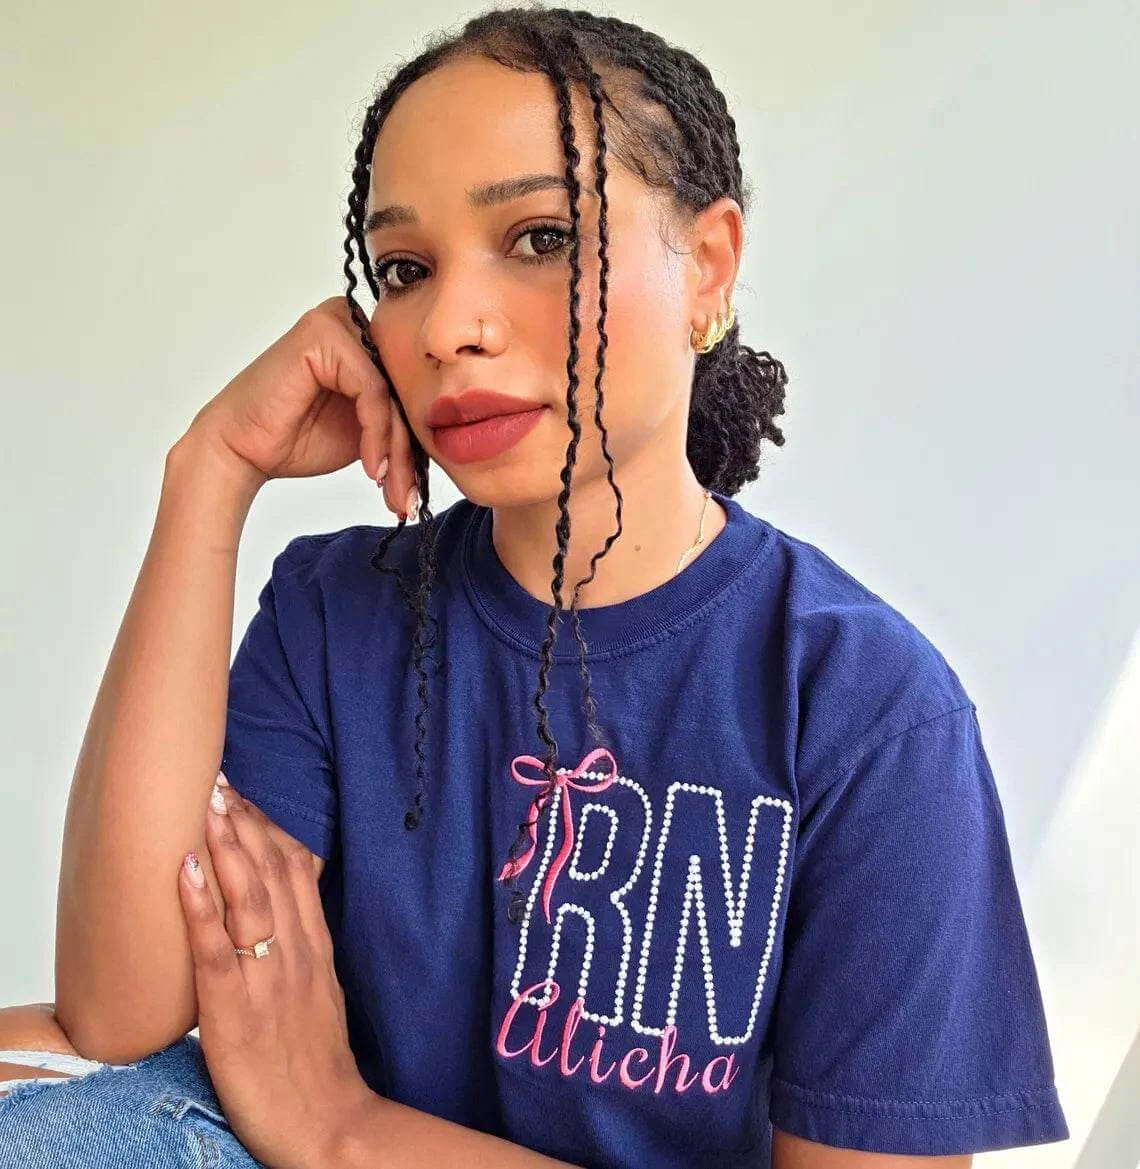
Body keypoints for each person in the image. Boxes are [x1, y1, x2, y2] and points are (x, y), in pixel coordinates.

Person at [0, 6, 1070, 1167]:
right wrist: (207, 474)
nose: (449, 326)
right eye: (404, 269)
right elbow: (116, 1013)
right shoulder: (334, 609)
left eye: (541, 238)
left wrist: (344, 1127)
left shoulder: (867, 708)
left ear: (706, 268)